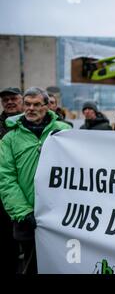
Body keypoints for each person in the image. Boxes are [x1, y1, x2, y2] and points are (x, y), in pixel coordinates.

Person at [0, 87, 71, 274]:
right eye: (27, 104)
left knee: (62, 263)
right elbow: (6, 178)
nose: (31, 108)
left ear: (47, 106)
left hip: (60, 215)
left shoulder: (64, 131)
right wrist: (23, 212)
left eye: (36, 104)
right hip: (27, 218)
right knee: (32, 264)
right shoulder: (10, 139)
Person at [0, 87, 23, 274]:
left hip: (25, 191)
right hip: (4, 189)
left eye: (13, 98)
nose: (9, 102)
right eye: (5, 99)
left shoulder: (30, 124)